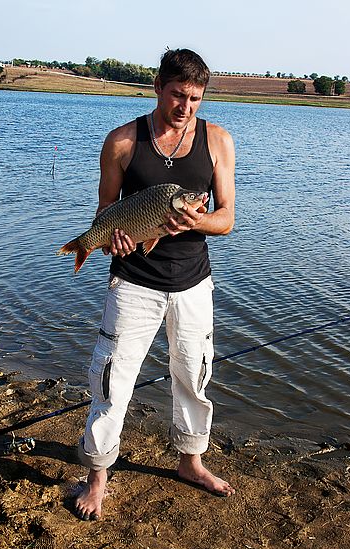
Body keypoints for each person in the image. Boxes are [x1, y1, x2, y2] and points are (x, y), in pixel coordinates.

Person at [75, 48, 236, 521]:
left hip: (192, 285)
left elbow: (226, 219)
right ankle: (98, 475)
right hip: (133, 283)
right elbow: (104, 216)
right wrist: (110, 241)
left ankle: (191, 461)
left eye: (196, 97)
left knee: (194, 376)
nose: (186, 107)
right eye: (177, 95)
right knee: (111, 380)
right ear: (157, 87)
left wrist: (194, 222)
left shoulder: (218, 141)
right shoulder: (123, 141)